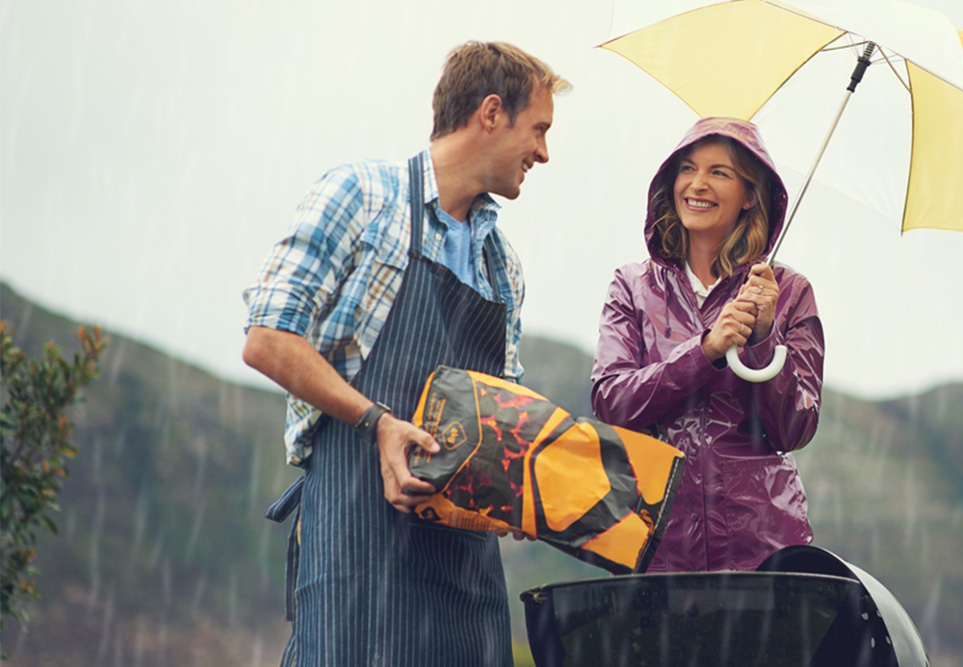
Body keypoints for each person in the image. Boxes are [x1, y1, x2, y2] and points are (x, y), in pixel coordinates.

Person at [242, 41, 570, 667]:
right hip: (356, 535)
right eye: (539, 129)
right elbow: (269, 339)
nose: (544, 153)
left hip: (462, 566)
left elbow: (505, 412)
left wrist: (532, 486)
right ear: (491, 112)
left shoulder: (503, 266)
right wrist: (379, 422)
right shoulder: (362, 197)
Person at [591, 117, 824, 573]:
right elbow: (611, 402)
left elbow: (794, 428)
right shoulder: (632, 286)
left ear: (751, 195)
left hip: (762, 548)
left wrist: (763, 338)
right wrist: (706, 351)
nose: (697, 185)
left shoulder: (789, 292)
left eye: (720, 173)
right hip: (655, 545)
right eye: (687, 169)